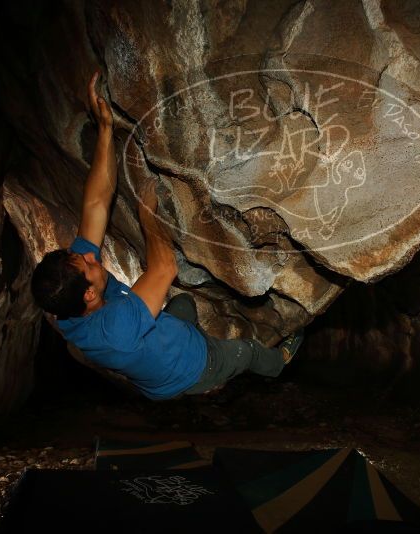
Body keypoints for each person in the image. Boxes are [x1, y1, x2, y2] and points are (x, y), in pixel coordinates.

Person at [30, 71, 304, 400]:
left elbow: (96, 204)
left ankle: (190, 344)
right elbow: (164, 268)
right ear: (89, 295)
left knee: (183, 304)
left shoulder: (72, 303)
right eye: (89, 264)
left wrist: (104, 130)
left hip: (157, 356)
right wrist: (149, 215)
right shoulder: (114, 331)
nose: (91, 254)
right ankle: (276, 362)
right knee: (245, 353)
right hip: (191, 368)